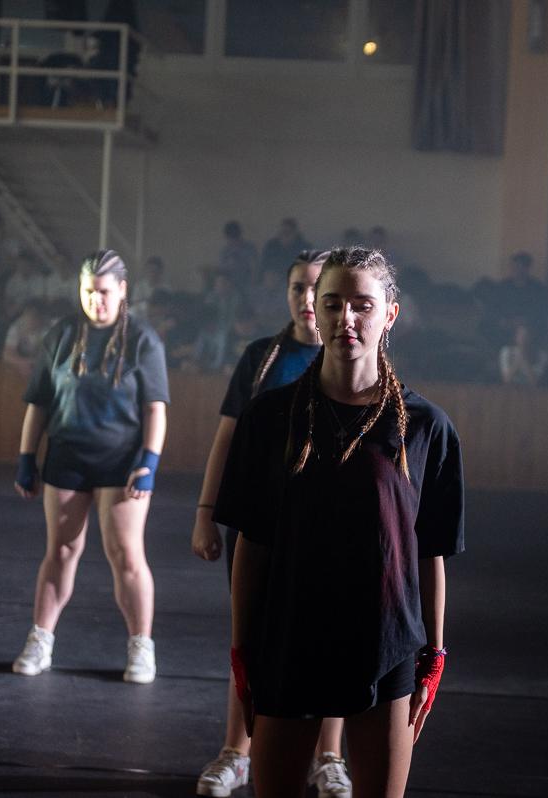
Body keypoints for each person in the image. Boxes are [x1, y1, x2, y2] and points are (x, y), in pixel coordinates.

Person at [218, 247, 464, 797]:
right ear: (316, 308)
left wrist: (435, 653)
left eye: (362, 305)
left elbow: (431, 551)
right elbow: (251, 545)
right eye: (332, 303)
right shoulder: (269, 419)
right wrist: (242, 649)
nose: (345, 318)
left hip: (386, 645)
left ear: (390, 314)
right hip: (289, 641)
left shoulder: (426, 427)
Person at [193, 250, 357, 798]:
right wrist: (206, 513)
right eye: (297, 287)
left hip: (328, 528)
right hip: (261, 524)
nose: (307, 299)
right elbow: (227, 439)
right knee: (251, 636)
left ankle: (328, 757)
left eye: (317, 288)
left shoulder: (351, 356)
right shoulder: (262, 357)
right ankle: (236, 752)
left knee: (332, 638)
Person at [11, 250, 170, 684]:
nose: (95, 300)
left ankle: (141, 646)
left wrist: (149, 461)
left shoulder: (143, 339)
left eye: (103, 292)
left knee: (126, 555)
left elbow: (155, 408)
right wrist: (26, 457)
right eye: (88, 292)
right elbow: (39, 402)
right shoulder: (62, 334)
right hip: (67, 457)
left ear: (122, 290)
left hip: (121, 461)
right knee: (61, 550)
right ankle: (40, 639)